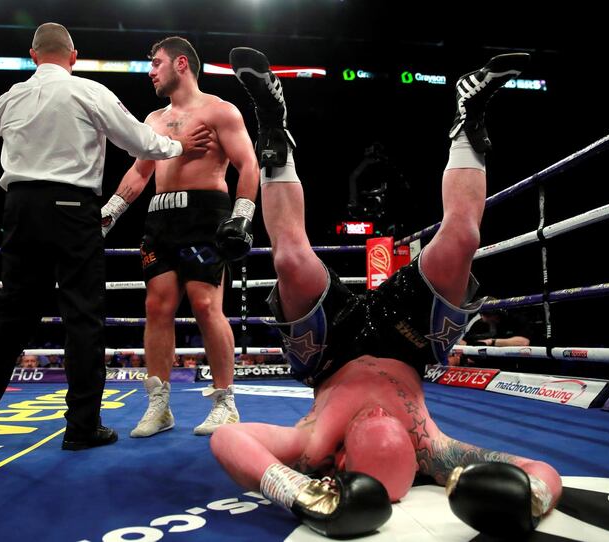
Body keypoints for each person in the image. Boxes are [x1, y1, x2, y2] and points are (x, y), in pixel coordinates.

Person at [210, 48, 563, 538]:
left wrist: (296, 491)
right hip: (409, 343)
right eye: (386, 425)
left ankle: (274, 127)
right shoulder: (436, 451)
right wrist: (531, 499)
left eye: (368, 428)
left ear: (343, 461)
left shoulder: (311, 449)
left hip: (331, 353)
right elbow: (543, 470)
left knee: (290, 257)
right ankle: (468, 118)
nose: (378, 415)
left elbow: (229, 438)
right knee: (462, 238)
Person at [0, 23, 212, 451]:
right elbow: (140, 142)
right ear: (74, 56)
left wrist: (2, 139)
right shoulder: (90, 92)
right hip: (72, 209)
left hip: (19, 209)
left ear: (33, 56)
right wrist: (180, 146)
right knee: (82, 315)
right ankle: (82, 425)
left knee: (12, 310)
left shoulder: (13, 95)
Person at [100, 36, 259, 437]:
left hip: (206, 215)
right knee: (157, 307)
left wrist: (242, 216)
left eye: (156, 63)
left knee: (207, 305)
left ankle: (226, 402)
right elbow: (140, 173)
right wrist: (110, 212)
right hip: (159, 220)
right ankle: (159, 405)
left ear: (181, 64)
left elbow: (248, 164)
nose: (151, 71)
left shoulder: (220, 111)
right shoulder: (152, 120)